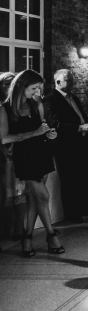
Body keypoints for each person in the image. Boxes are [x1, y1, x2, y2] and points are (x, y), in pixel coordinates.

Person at [0, 70, 62, 256]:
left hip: (42, 152)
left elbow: (42, 127)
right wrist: (32, 134)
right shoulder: (5, 108)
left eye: (38, 88)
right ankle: (51, 235)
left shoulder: (36, 104)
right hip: (24, 156)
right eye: (33, 88)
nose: (36, 91)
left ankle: (27, 239)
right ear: (21, 85)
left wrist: (49, 133)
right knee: (43, 196)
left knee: (34, 198)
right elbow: (3, 138)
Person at [43, 70, 88, 223]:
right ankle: (71, 213)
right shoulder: (50, 99)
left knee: (84, 178)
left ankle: (82, 205)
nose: (72, 83)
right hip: (66, 146)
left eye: (72, 79)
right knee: (69, 180)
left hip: (81, 143)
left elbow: (83, 117)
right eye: (68, 80)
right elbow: (55, 124)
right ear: (58, 82)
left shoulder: (74, 97)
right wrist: (80, 128)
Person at [0, 72, 27, 243]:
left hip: (18, 151)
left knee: (20, 191)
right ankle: (6, 229)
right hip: (4, 153)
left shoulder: (16, 105)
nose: (8, 87)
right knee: (6, 194)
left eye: (11, 83)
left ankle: (19, 227)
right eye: (5, 84)